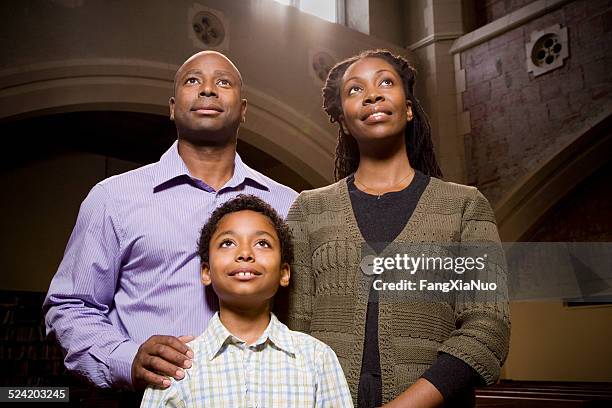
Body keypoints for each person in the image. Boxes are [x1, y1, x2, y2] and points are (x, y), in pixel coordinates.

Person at [43, 51, 298, 392]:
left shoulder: (289, 204)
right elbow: (70, 305)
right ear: (172, 107)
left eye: (223, 82)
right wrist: (126, 358)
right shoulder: (113, 198)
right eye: (193, 81)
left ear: (244, 110)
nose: (208, 89)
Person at [283, 49, 510, 407]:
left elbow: (487, 327)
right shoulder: (309, 209)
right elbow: (294, 328)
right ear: (343, 120)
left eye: (385, 82)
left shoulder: (465, 206)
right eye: (355, 90)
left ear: (407, 109)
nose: (372, 94)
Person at [140, 194, 353, 407]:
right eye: (227, 243)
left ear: (284, 273)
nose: (244, 253)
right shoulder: (178, 365)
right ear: (206, 272)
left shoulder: (317, 359)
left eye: (262, 243)